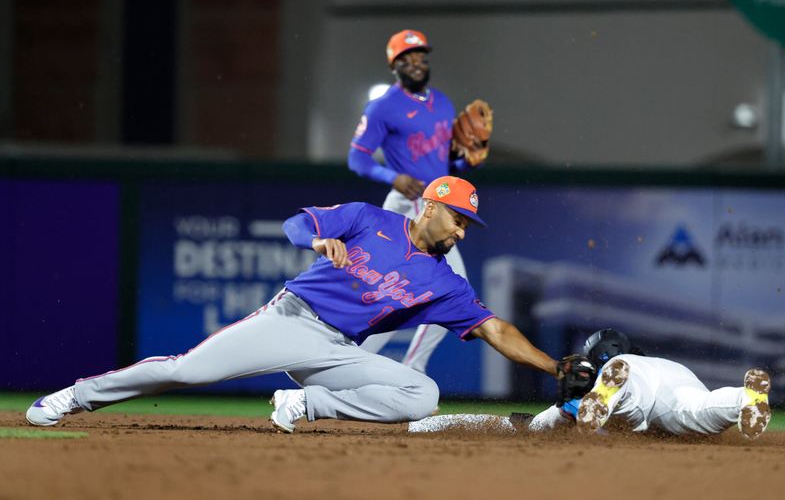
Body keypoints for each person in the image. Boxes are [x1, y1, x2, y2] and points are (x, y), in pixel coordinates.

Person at [27, 176, 581, 435]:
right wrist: (316, 242)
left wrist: (553, 367)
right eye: (458, 218)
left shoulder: (445, 283)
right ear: (431, 206)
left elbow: (497, 330)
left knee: (421, 394)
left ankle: (305, 404)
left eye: (467, 224)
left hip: (337, 351)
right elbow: (299, 221)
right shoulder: (370, 218)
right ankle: (75, 396)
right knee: (186, 370)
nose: (462, 231)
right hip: (289, 319)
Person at [348, 29, 487, 374]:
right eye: (406, 59)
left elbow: (446, 165)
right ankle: (412, 366)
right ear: (393, 66)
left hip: (436, 201)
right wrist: (391, 176)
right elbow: (358, 158)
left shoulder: (442, 103)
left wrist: (468, 161)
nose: (415, 63)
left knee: (397, 293)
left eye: (420, 57)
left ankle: (355, 359)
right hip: (407, 202)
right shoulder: (382, 107)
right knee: (453, 284)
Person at [408, 329, 772, 440]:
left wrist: (421, 424)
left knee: (620, 403)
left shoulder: (618, 365)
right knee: (699, 410)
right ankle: (745, 396)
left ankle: (604, 394)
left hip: (622, 376)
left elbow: (533, 425)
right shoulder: (652, 360)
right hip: (679, 378)